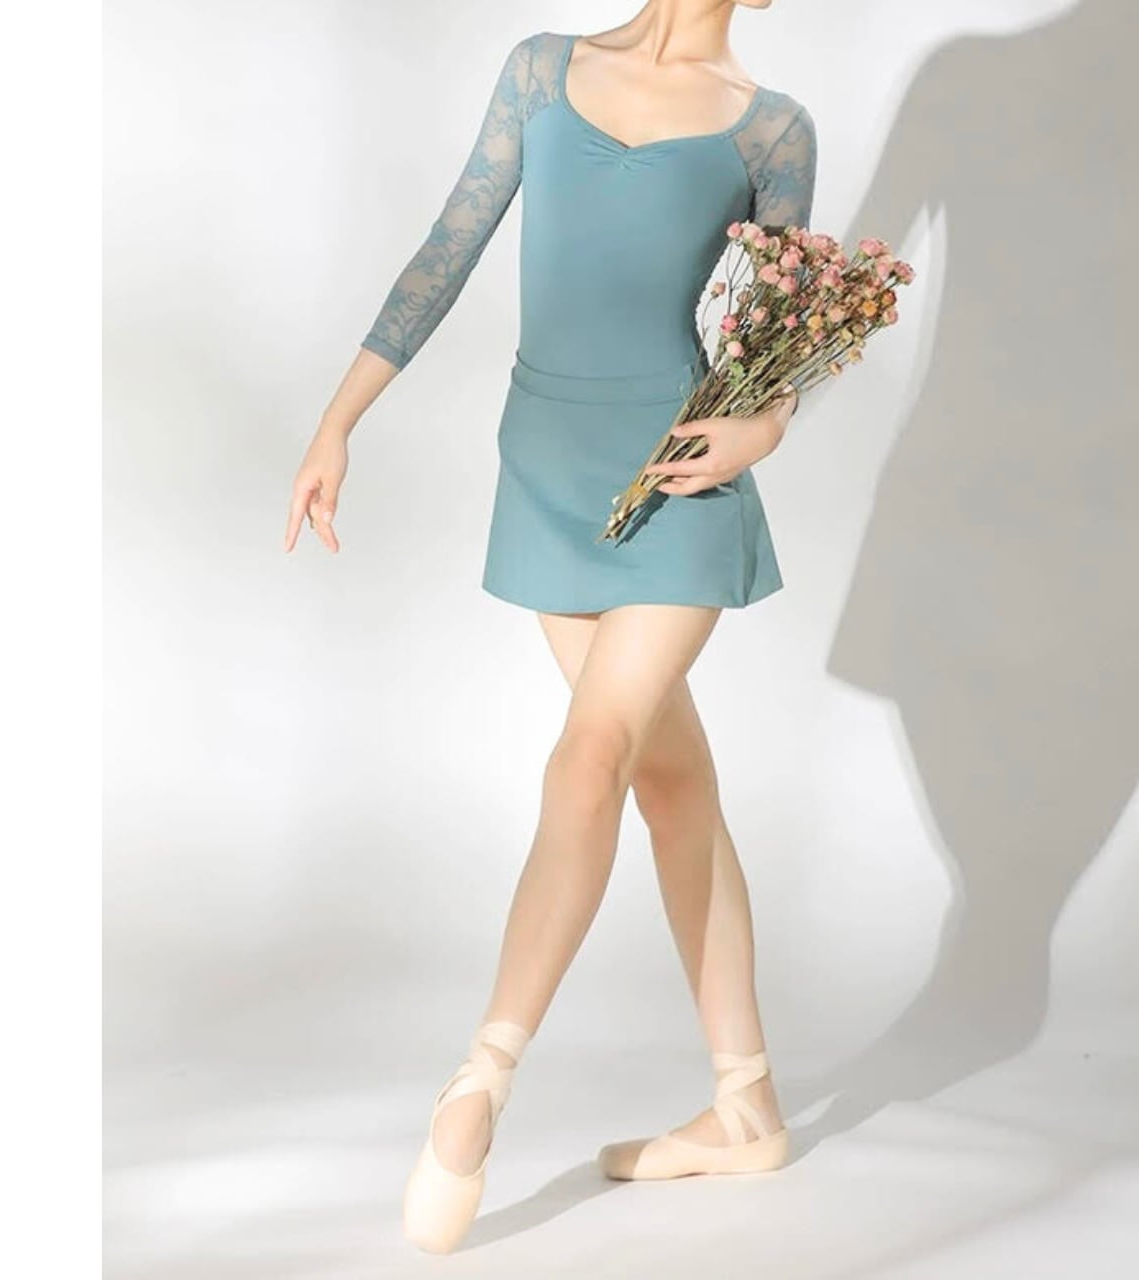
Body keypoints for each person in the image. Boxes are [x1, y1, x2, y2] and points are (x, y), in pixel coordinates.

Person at [284, 3, 816, 1255]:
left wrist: (761, 425)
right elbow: (448, 246)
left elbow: (778, 333)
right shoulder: (538, 70)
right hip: (547, 468)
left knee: (592, 753)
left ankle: (479, 1077)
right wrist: (337, 420)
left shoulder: (771, 128)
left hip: (677, 472)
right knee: (671, 782)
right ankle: (745, 1104)